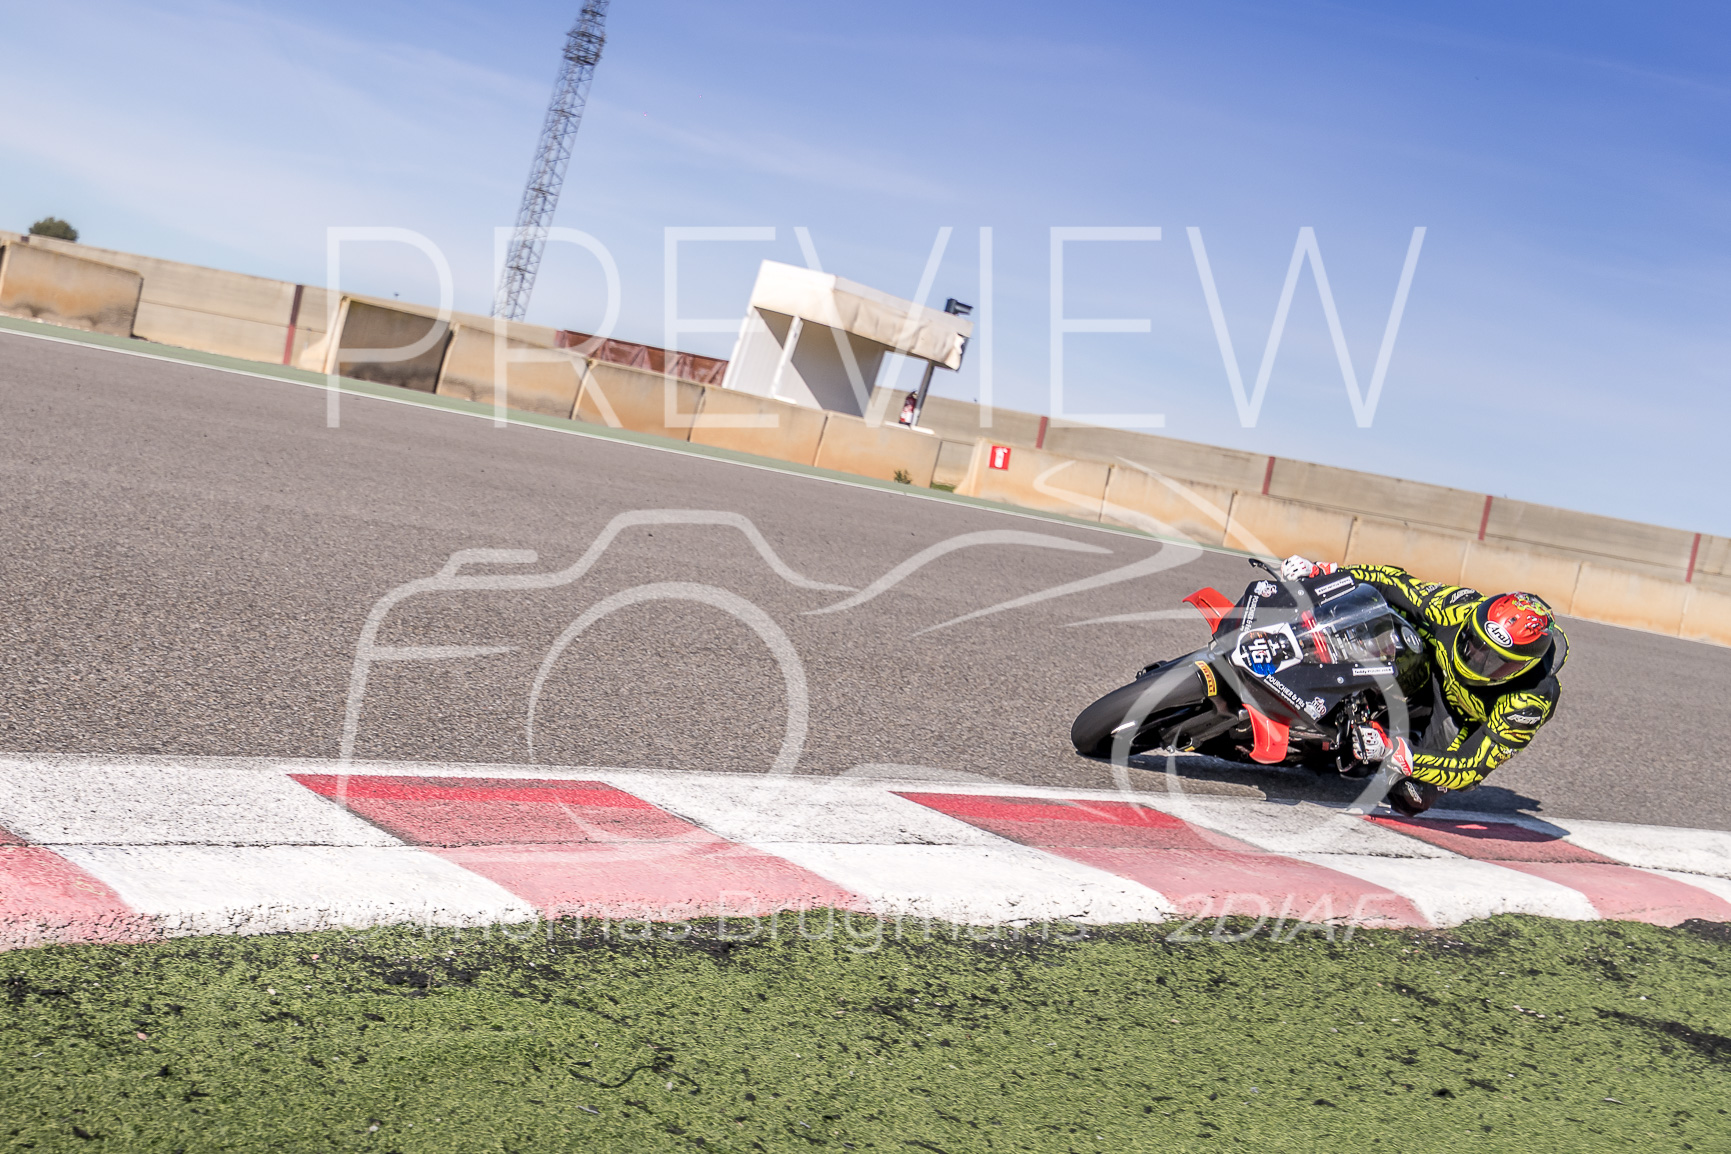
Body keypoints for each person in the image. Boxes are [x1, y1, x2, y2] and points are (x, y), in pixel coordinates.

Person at [1280, 554, 1567, 815]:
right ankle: (1307, 659)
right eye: (1473, 640)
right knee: (1385, 621)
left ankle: (1357, 748)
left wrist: (1393, 750)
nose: (1474, 655)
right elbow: (1392, 582)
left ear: (1522, 667)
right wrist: (1326, 572)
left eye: (1493, 660)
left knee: (1410, 797)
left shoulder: (1530, 701)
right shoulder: (1457, 607)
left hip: (1459, 718)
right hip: (1428, 664)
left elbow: (1471, 766)